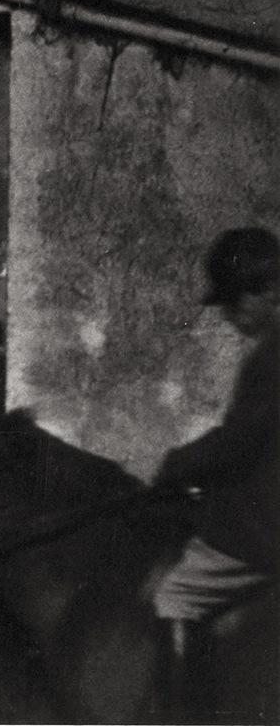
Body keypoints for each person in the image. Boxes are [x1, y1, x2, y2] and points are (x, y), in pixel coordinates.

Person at [151, 226, 278, 718]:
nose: (227, 315)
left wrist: (176, 465)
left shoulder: (271, 357)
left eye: (233, 302)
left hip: (267, 531)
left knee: (172, 594)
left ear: (269, 290)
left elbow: (239, 442)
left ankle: (190, 717)